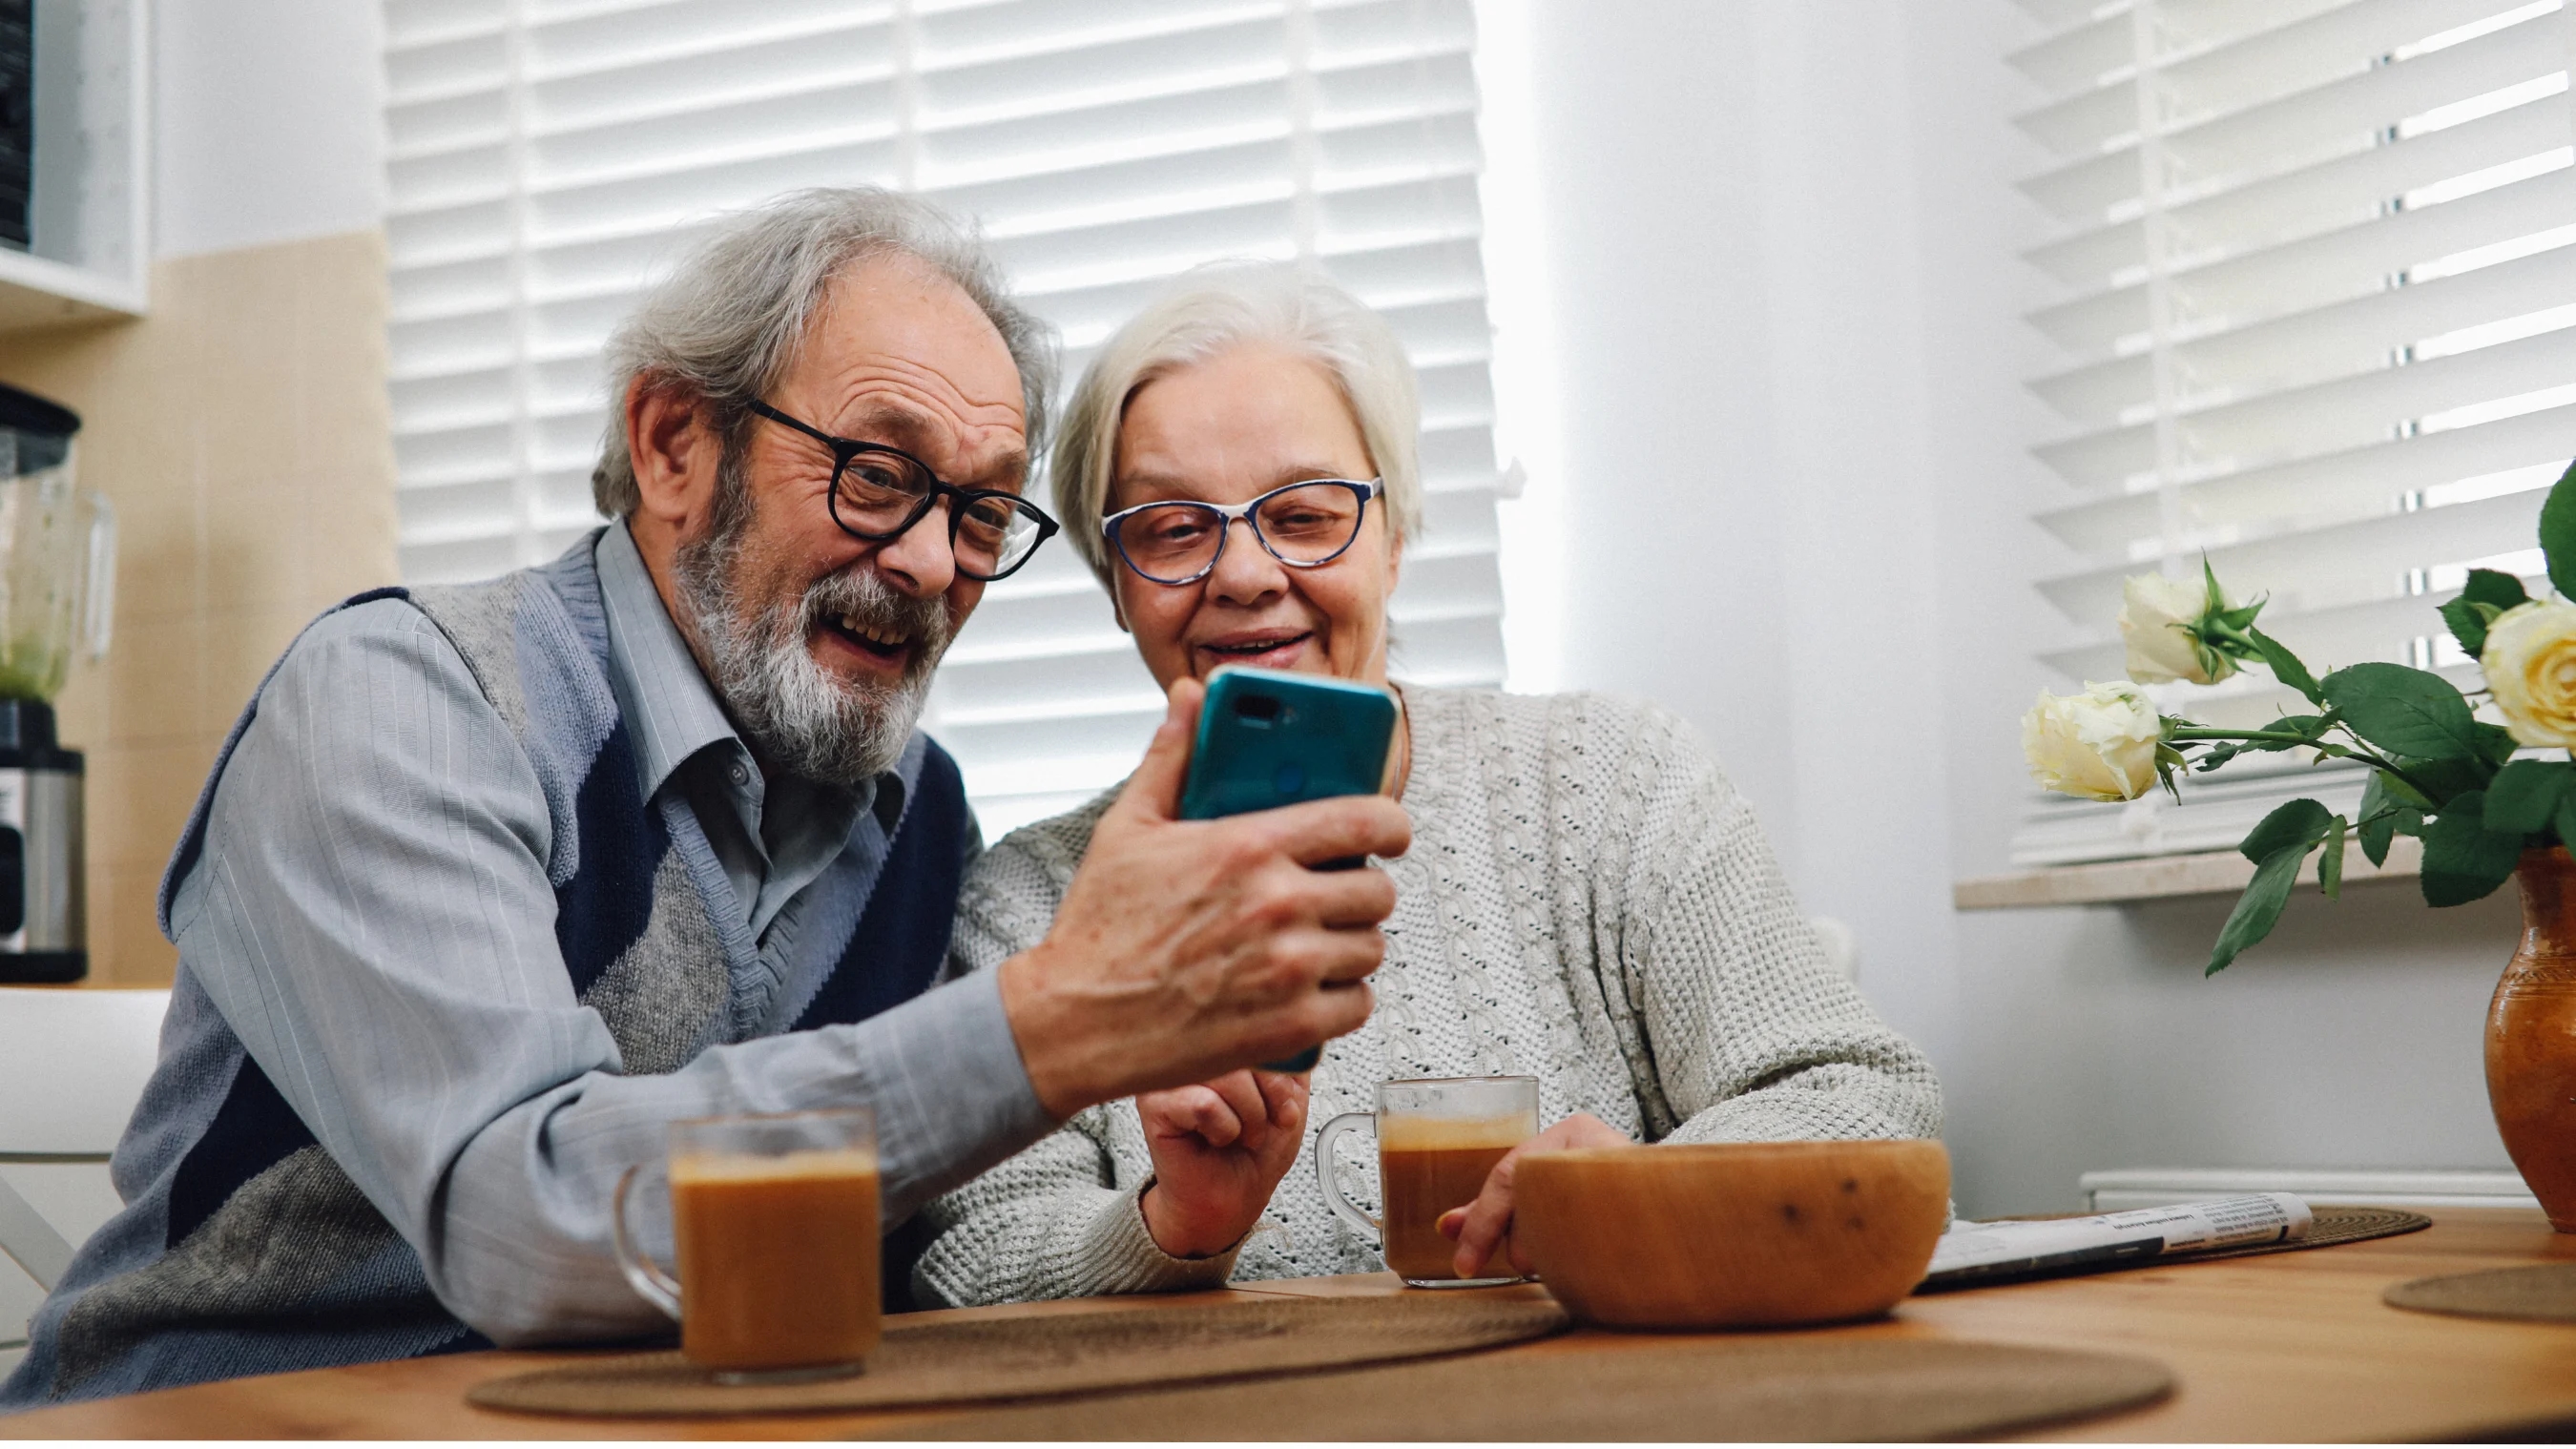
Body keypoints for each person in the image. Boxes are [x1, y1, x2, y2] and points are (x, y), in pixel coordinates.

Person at [0, 192, 1410, 1407]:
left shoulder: (923, 821)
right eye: (877, 474)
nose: (929, 562)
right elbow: (529, 1220)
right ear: (675, 444)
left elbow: (886, 1253)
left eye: (981, 514)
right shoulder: (405, 700)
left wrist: (1165, 1212)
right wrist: (1064, 1016)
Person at [911, 265, 1942, 1306]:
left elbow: (1859, 1091)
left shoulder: (1616, 779)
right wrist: (1172, 1228)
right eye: (1173, 530)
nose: (1244, 574)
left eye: (1306, 515)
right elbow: (966, 1267)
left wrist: (1640, 1188)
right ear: (1118, 586)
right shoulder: (1029, 901)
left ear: (1394, 540)